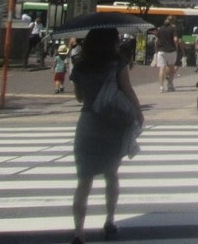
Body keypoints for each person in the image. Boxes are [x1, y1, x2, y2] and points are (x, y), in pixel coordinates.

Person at [70, 27, 143, 244]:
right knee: (111, 175)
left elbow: (79, 97)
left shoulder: (79, 66)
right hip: (112, 125)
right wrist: (138, 113)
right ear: (111, 42)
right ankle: (110, 220)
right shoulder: (117, 63)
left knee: (84, 181)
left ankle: (79, 232)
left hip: (88, 123)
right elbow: (128, 90)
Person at [154, 16, 180, 93]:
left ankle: (161, 87)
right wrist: (176, 48)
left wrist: (156, 50)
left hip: (161, 51)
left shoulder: (160, 29)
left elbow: (156, 41)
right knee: (171, 69)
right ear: (172, 22)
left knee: (161, 69)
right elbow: (175, 39)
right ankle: (169, 85)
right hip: (171, 51)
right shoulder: (173, 29)